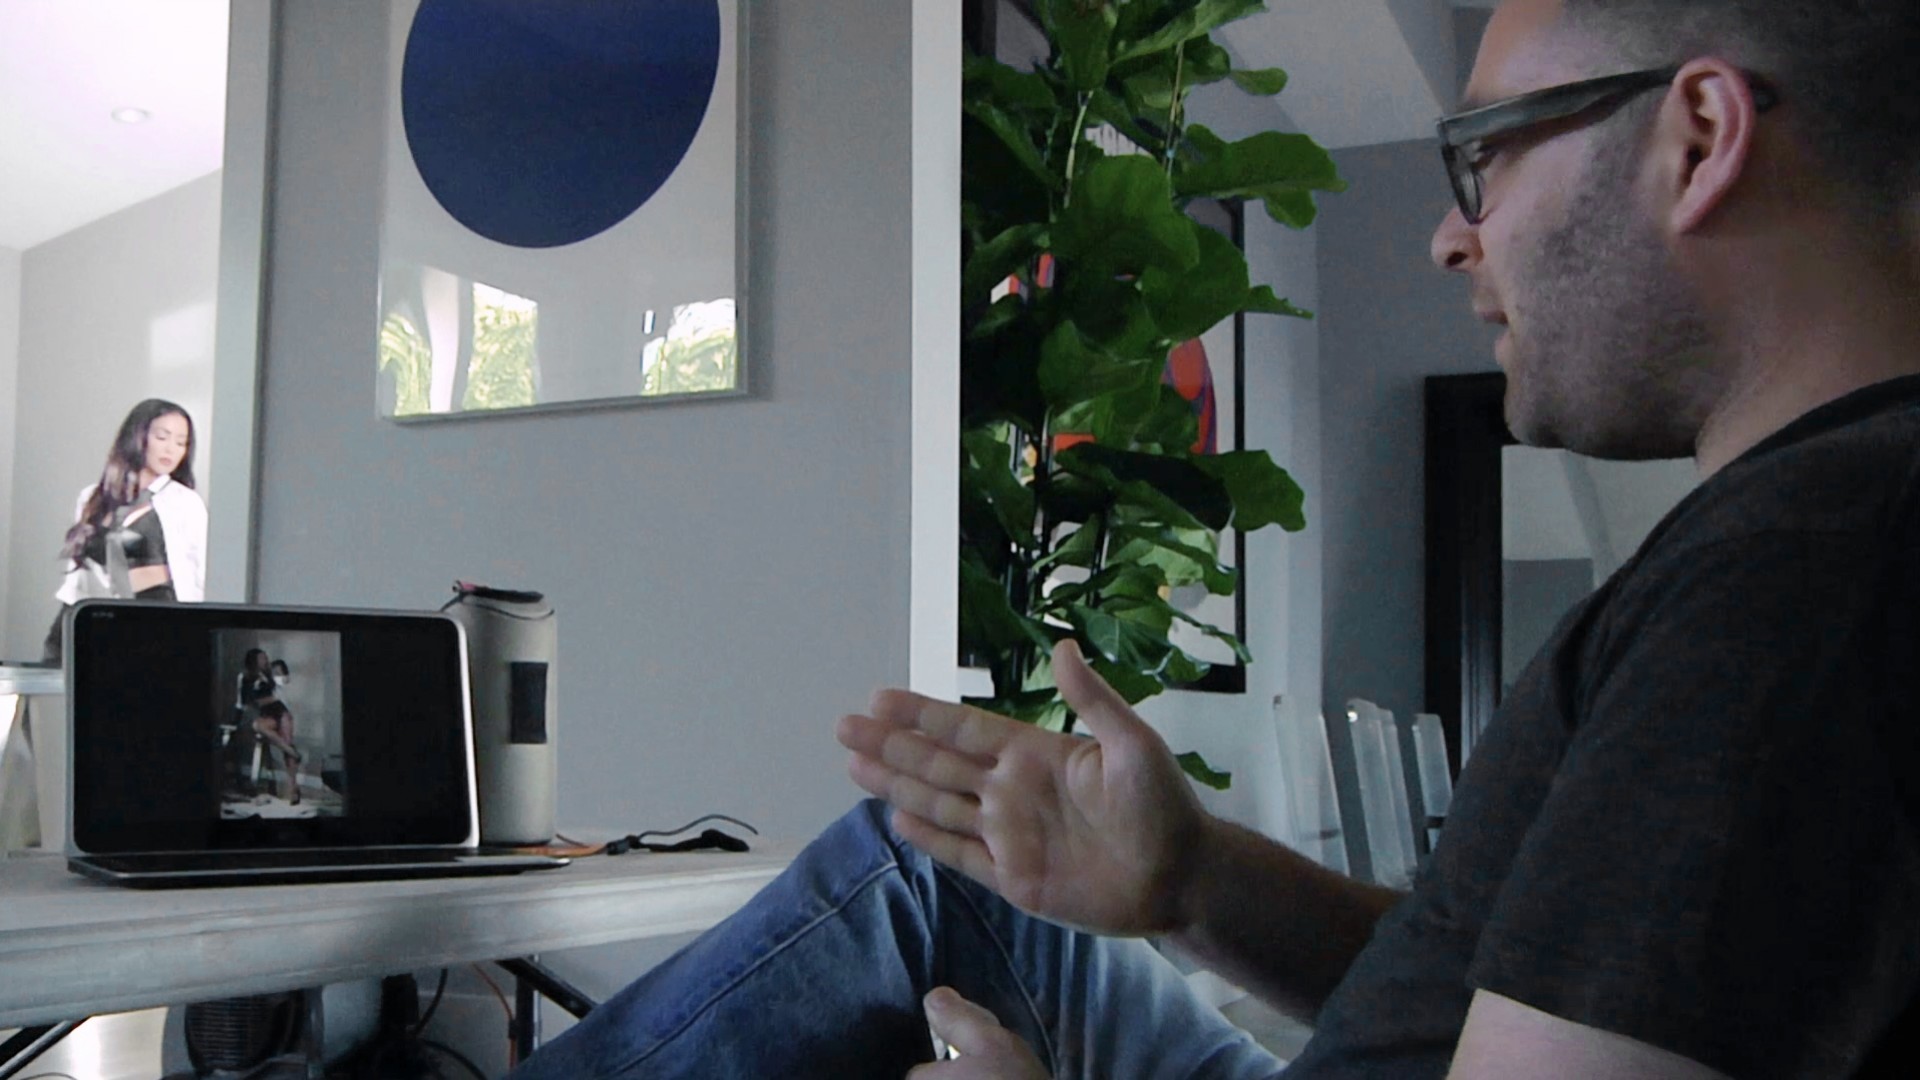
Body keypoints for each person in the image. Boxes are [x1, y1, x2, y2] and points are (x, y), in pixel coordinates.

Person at [510, 0, 1920, 1075]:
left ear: (1698, 138)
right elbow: (1505, 988)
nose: (1450, 237)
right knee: (928, 865)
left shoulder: (1793, 577)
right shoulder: (1807, 536)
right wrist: (1190, 880)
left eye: (1484, 154)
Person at [42, 399, 207, 663]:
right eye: (162, 437)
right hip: (89, 613)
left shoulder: (184, 502)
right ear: (138, 436)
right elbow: (80, 570)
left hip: (152, 618)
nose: (171, 449)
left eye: (181, 442)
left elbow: (198, 572)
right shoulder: (93, 497)